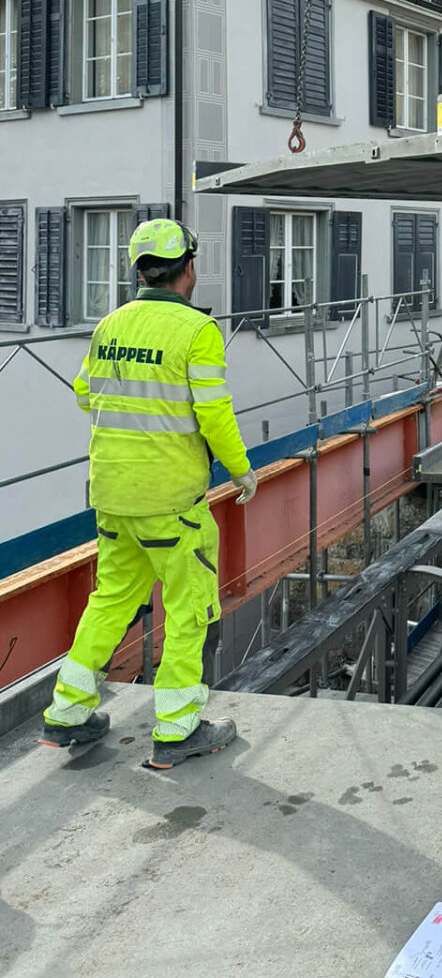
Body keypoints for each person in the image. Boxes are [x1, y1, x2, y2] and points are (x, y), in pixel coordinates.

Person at [41, 219, 258, 770]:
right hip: (172, 501)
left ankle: (66, 715)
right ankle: (178, 728)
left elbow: (86, 396)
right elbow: (213, 411)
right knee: (188, 611)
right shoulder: (196, 331)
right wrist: (240, 470)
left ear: (139, 270)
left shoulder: (110, 324)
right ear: (190, 268)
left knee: (110, 601)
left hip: (113, 494)